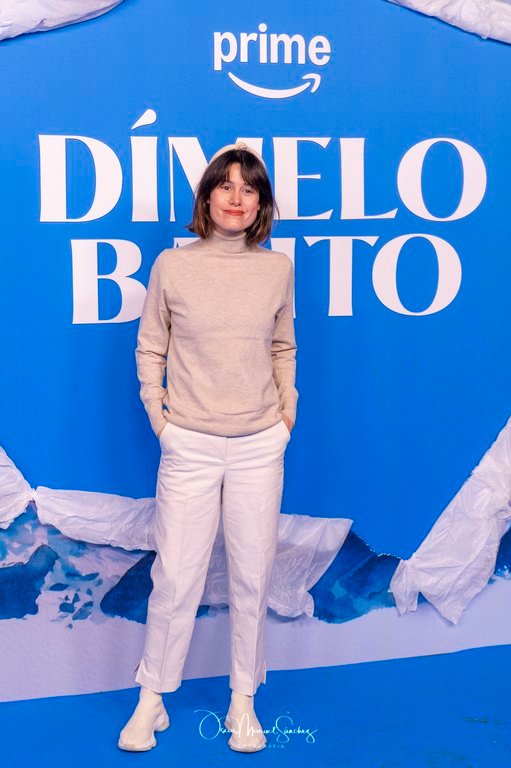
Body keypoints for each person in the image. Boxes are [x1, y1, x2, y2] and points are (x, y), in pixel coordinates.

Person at [118, 142, 298, 753]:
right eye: (226, 185)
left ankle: (242, 701)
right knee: (175, 576)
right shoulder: (173, 265)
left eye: (249, 189)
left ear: (261, 204)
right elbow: (151, 346)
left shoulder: (277, 269)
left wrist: (286, 411)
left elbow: (282, 346)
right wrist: (160, 418)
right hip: (189, 444)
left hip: (259, 444)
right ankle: (151, 699)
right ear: (207, 196)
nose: (236, 198)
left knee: (252, 575)